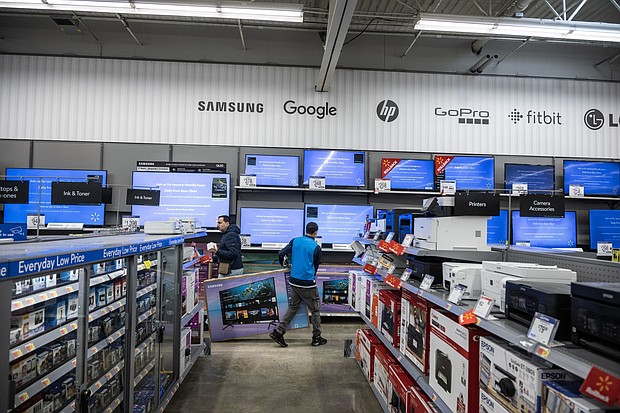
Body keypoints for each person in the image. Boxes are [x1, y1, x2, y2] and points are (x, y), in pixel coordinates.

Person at [269, 221, 327, 347]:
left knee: (293, 307)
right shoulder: (316, 247)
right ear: (316, 232)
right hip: (307, 284)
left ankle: (279, 331)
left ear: (306, 230)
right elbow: (315, 267)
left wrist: (285, 264)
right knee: (315, 310)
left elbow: (281, 253)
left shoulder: (295, 241)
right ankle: (316, 337)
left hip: (294, 281)